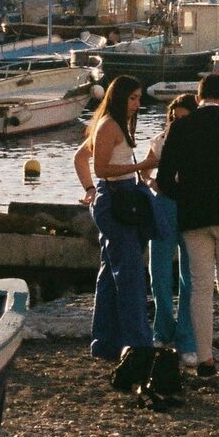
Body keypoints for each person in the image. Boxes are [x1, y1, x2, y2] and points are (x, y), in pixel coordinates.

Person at [157, 70, 219, 378]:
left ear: (198, 98)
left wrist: (183, 197)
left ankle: (204, 360)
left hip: (193, 217)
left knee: (199, 288)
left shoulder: (181, 127)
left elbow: (163, 179)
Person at [72, 77, 158, 370]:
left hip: (118, 196)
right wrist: (142, 166)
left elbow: (81, 157)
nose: (138, 103)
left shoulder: (113, 123)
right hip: (117, 198)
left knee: (110, 272)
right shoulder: (109, 125)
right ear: (120, 97)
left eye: (139, 98)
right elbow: (99, 167)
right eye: (133, 98)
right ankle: (138, 343)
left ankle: (106, 342)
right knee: (131, 273)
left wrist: (90, 190)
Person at [148, 94, 198, 359]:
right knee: (159, 273)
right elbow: (145, 170)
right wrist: (151, 184)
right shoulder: (161, 140)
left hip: (190, 206)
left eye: (183, 117)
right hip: (164, 204)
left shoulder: (201, 142)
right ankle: (162, 330)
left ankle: (186, 338)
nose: (178, 122)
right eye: (174, 117)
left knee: (190, 276)